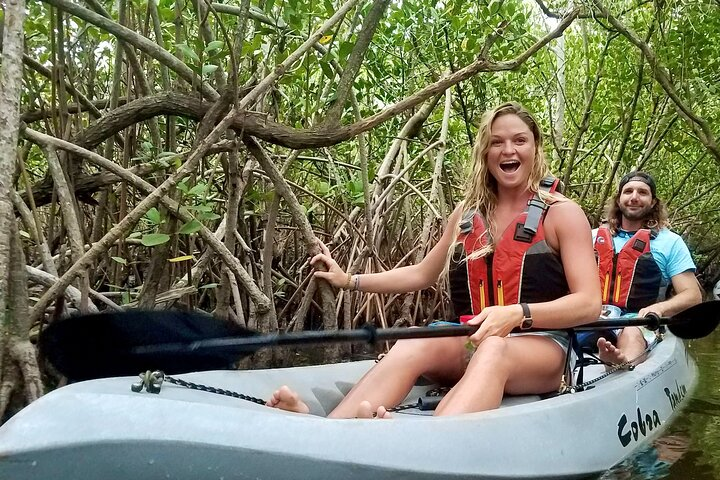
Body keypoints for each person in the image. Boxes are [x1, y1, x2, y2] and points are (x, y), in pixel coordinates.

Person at [267, 102, 601, 418]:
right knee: (419, 337)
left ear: (535, 149)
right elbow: (422, 273)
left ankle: (436, 439)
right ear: (485, 153)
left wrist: (517, 314)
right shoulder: (467, 214)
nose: (508, 150)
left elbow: (588, 304)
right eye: (497, 142)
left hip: (541, 348)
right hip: (472, 341)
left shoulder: (562, 214)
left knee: (493, 350)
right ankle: (329, 428)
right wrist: (350, 280)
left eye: (519, 141)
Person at [592, 171, 702, 366]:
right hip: (591, 316)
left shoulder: (670, 242)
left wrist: (659, 308)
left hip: (638, 320)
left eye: (642, 192)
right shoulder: (591, 237)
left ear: (653, 202)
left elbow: (692, 295)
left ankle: (622, 362)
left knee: (632, 332)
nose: (634, 197)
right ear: (618, 200)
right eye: (628, 192)